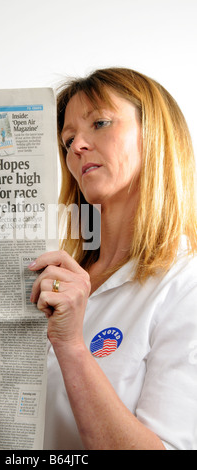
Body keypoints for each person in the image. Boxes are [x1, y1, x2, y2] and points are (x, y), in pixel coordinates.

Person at [29, 68, 197, 450]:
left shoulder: (186, 284)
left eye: (100, 123)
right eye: (67, 139)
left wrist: (71, 346)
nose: (76, 146)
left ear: (154, 134)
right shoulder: (54, 278)